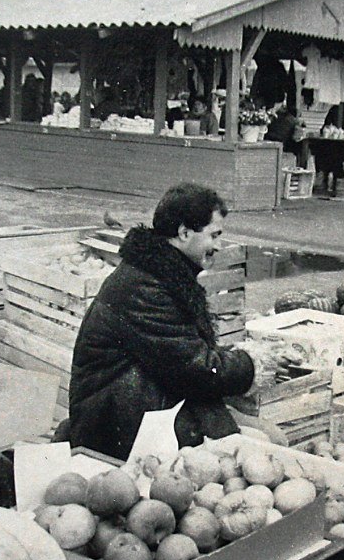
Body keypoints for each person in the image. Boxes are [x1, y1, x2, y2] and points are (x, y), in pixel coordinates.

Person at [68, 183, 256, 461]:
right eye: (214, 235)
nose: (218, 246)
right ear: (183, 233)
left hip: (137, 403)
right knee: (256, 443)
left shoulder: (156, 274)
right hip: (111, 423)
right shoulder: (146, 287)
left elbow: (181, 353)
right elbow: (195, 369)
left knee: (258, 437)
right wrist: (252, 365)